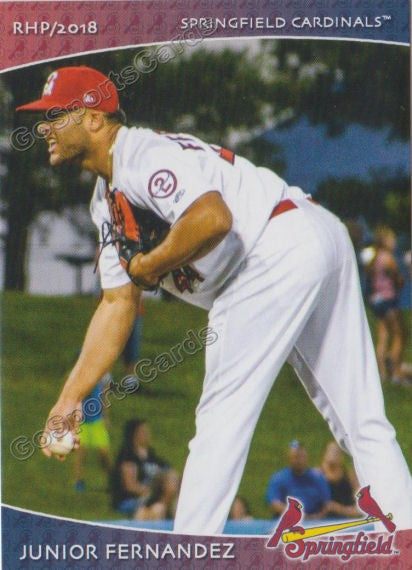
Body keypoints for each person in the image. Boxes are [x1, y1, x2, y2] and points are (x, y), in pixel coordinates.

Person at [17, 65, 412, 534]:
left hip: (273, 248)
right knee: (360, 420)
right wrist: (69, 399)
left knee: (221, 418)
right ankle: (404, 533)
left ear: (96, 118)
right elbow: (116, 304)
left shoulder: (141, 155)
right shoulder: (106, 201)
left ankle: (190, 551)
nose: (44, 128)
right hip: (311, 233)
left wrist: (152, 263)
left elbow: (212, 218)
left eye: (58, 115)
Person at [365, 226, 406, 383]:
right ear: (385, 241)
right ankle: (393, 367)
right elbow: (397, 279)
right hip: (389, 300)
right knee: (399, 335)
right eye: (391, 238)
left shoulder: (375, 258)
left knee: (383, 336)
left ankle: (381, 372)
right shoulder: (388, 258)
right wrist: (402, 280)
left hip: (377, 300)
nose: (394, 241)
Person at [110, 419, 169, 517]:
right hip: (130, 500)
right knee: (158, 508)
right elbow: (131, 486)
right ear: (134, 434)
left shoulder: (150, 454)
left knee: (172, 482)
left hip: (150, 496)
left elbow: (166, 470)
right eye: (143, 432)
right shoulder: (128, 456)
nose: (147, 434)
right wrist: (153, 493)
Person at [266, 441, 331, 520]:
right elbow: (274, 503)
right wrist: (302, 517)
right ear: (289, 459)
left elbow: (327, 503)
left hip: (315, 521)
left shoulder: (318, 477)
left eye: (302, 457)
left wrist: (317, 517)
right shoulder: (278, 478)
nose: (299, 461)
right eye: (296, 457)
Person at [74, 374, 112, 491]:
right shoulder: (81, 374)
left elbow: (105, 396)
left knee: (104, 453)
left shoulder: (105, 376)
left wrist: (105, 416)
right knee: (81, 453)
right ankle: (78, 481)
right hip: (82, 421)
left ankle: (111, 481)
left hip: (97, 420)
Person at [318, 441, 360, 519]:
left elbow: (359, 510)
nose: (333, 455)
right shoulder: (317, 476)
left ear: (341, 457)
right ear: (324, 456)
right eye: (330, 452)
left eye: (336, 453)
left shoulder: (350, 478)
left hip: (346, 521)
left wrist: (339, 509)